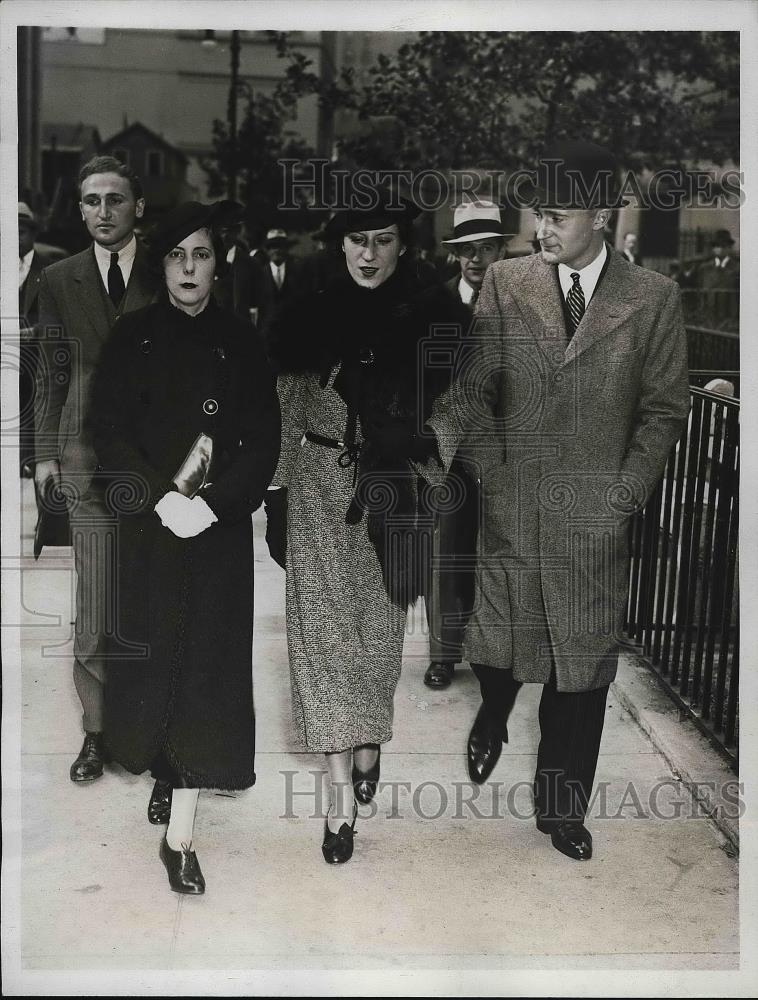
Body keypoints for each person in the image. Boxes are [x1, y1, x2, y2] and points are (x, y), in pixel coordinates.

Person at [459, 141, 690, 860]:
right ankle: (492, 713)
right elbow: (472, 392)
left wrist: (622, 497)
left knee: (580, 669)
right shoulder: (506, 282)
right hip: (513, 504)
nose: (543, 230)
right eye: (540, 216)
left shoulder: (651, 300)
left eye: (557, 216)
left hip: (593, 518)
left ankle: (563, 810)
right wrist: (490, 478)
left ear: (599, 215)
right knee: (497, 650)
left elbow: (664, 410)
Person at [264, 184, 469, 865]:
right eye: (358, 240)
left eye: (383, 240)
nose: (369, 253)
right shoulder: (308, 316)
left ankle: (369, 740)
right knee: (321, 641)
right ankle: (337, 806)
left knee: (376, 639)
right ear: (340, 245)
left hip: (395, 489)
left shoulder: (434, 315)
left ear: (402, 245)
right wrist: (277, 496)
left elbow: (461, 400)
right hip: (320, 490)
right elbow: (285, 407)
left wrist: (425, 445)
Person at [88, 201, 280, 894]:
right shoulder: (131, 337)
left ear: (217, 262)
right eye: (177, 256)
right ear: (160, 264)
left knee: (207, 673)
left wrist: (216, 504)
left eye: (201, 254)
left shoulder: (243, 341)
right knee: (153, 662)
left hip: (216, 537)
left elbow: (263, 442)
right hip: (150, 532)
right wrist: (158, 496)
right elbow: (107, 436)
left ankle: (183, 837)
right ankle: (164, 769)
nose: (190, 268)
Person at [34, 156, 158, 783]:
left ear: (138, 206)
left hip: (159, 463)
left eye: (114, 199)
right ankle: (96, 731)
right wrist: (42, 454)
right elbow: (51, 371)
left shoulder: (171, 268)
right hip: (85, 461)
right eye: (90, 201)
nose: (102, 212)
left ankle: (156, 730)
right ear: (79, 209)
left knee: (159, 595)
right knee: (96, 598)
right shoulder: (59, 279)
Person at [422, 201, 510, 690]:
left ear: (501, 250)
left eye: (486, 249)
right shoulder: (433, 305)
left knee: (498, 553)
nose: (477, 260)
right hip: (448, 448)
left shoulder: (523, 305)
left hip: (503, 449)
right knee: (447, 551)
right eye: (467, 251)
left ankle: (493, 653)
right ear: (455, 255)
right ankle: (443, 654)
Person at [18, 201, 67, 476]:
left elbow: (56, 316)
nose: (15, 238)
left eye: (22, 232)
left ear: (34, 234)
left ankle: (29, 458)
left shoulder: (49, 267)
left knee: (33, 401)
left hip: (36, 352)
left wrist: (32, 332)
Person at [252, 227, 304, 329]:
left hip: (293, 329)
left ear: (286, 249)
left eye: (280, 246)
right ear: (267, 250)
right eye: (272, 247)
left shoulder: (298, 271)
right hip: (267, 333)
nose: (276, 250)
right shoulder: (259, 275)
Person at [696, 229, 739, 327]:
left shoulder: (738, 268)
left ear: (729, 247)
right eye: (716, 246)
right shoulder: (705, 268)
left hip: (729, 323)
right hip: (708, 322)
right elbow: (701, 295)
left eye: (723, 246)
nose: (718, 249)